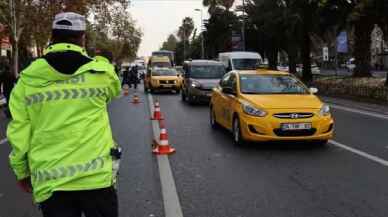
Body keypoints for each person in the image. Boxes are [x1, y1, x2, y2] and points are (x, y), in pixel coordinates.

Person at [7, 12, 121, 217]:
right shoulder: (101, 74)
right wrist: (101, 60)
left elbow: (19, 131)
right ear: (82, 37)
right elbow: (115, 90)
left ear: (52, 36)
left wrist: (21, 172)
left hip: (51, 181)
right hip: (96, 179)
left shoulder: (27, 79)